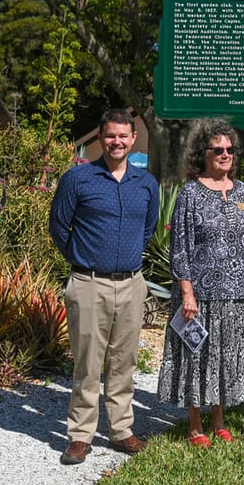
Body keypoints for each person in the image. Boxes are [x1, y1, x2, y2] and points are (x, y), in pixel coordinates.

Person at [48, 108, 159, 465]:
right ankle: (80, 435)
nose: (117, 142)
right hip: (88, 283)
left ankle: (121, 431)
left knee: (123, 362)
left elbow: (148, 230)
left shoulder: (146, 184)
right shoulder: (78, 179)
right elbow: (58, 227)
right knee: (87, 363)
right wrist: (83, 258)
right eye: (110, 136)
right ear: (100, 138)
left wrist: (124, 259)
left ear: (133, 140)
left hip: (131, 284)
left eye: (123, 136)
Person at [157, 119, 244, 447]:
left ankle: (219, 420)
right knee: (195, 356)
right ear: (203, 154)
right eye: (218, 150)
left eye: (230, 149)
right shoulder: (190, 193)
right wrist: (186, 292)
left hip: (234, 294)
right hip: (199, 295)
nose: (225, 154)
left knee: (225, 358)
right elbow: (180, 246)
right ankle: (195, 424)